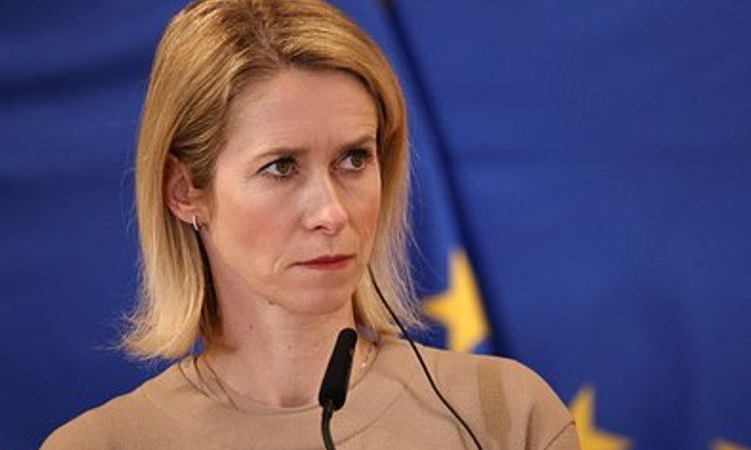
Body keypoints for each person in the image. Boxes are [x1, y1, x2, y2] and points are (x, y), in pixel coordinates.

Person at [41, 0, 580, 448]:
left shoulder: (505, 414)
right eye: (281, 167)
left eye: (354, 159)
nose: (331, 213)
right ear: (184, 191)